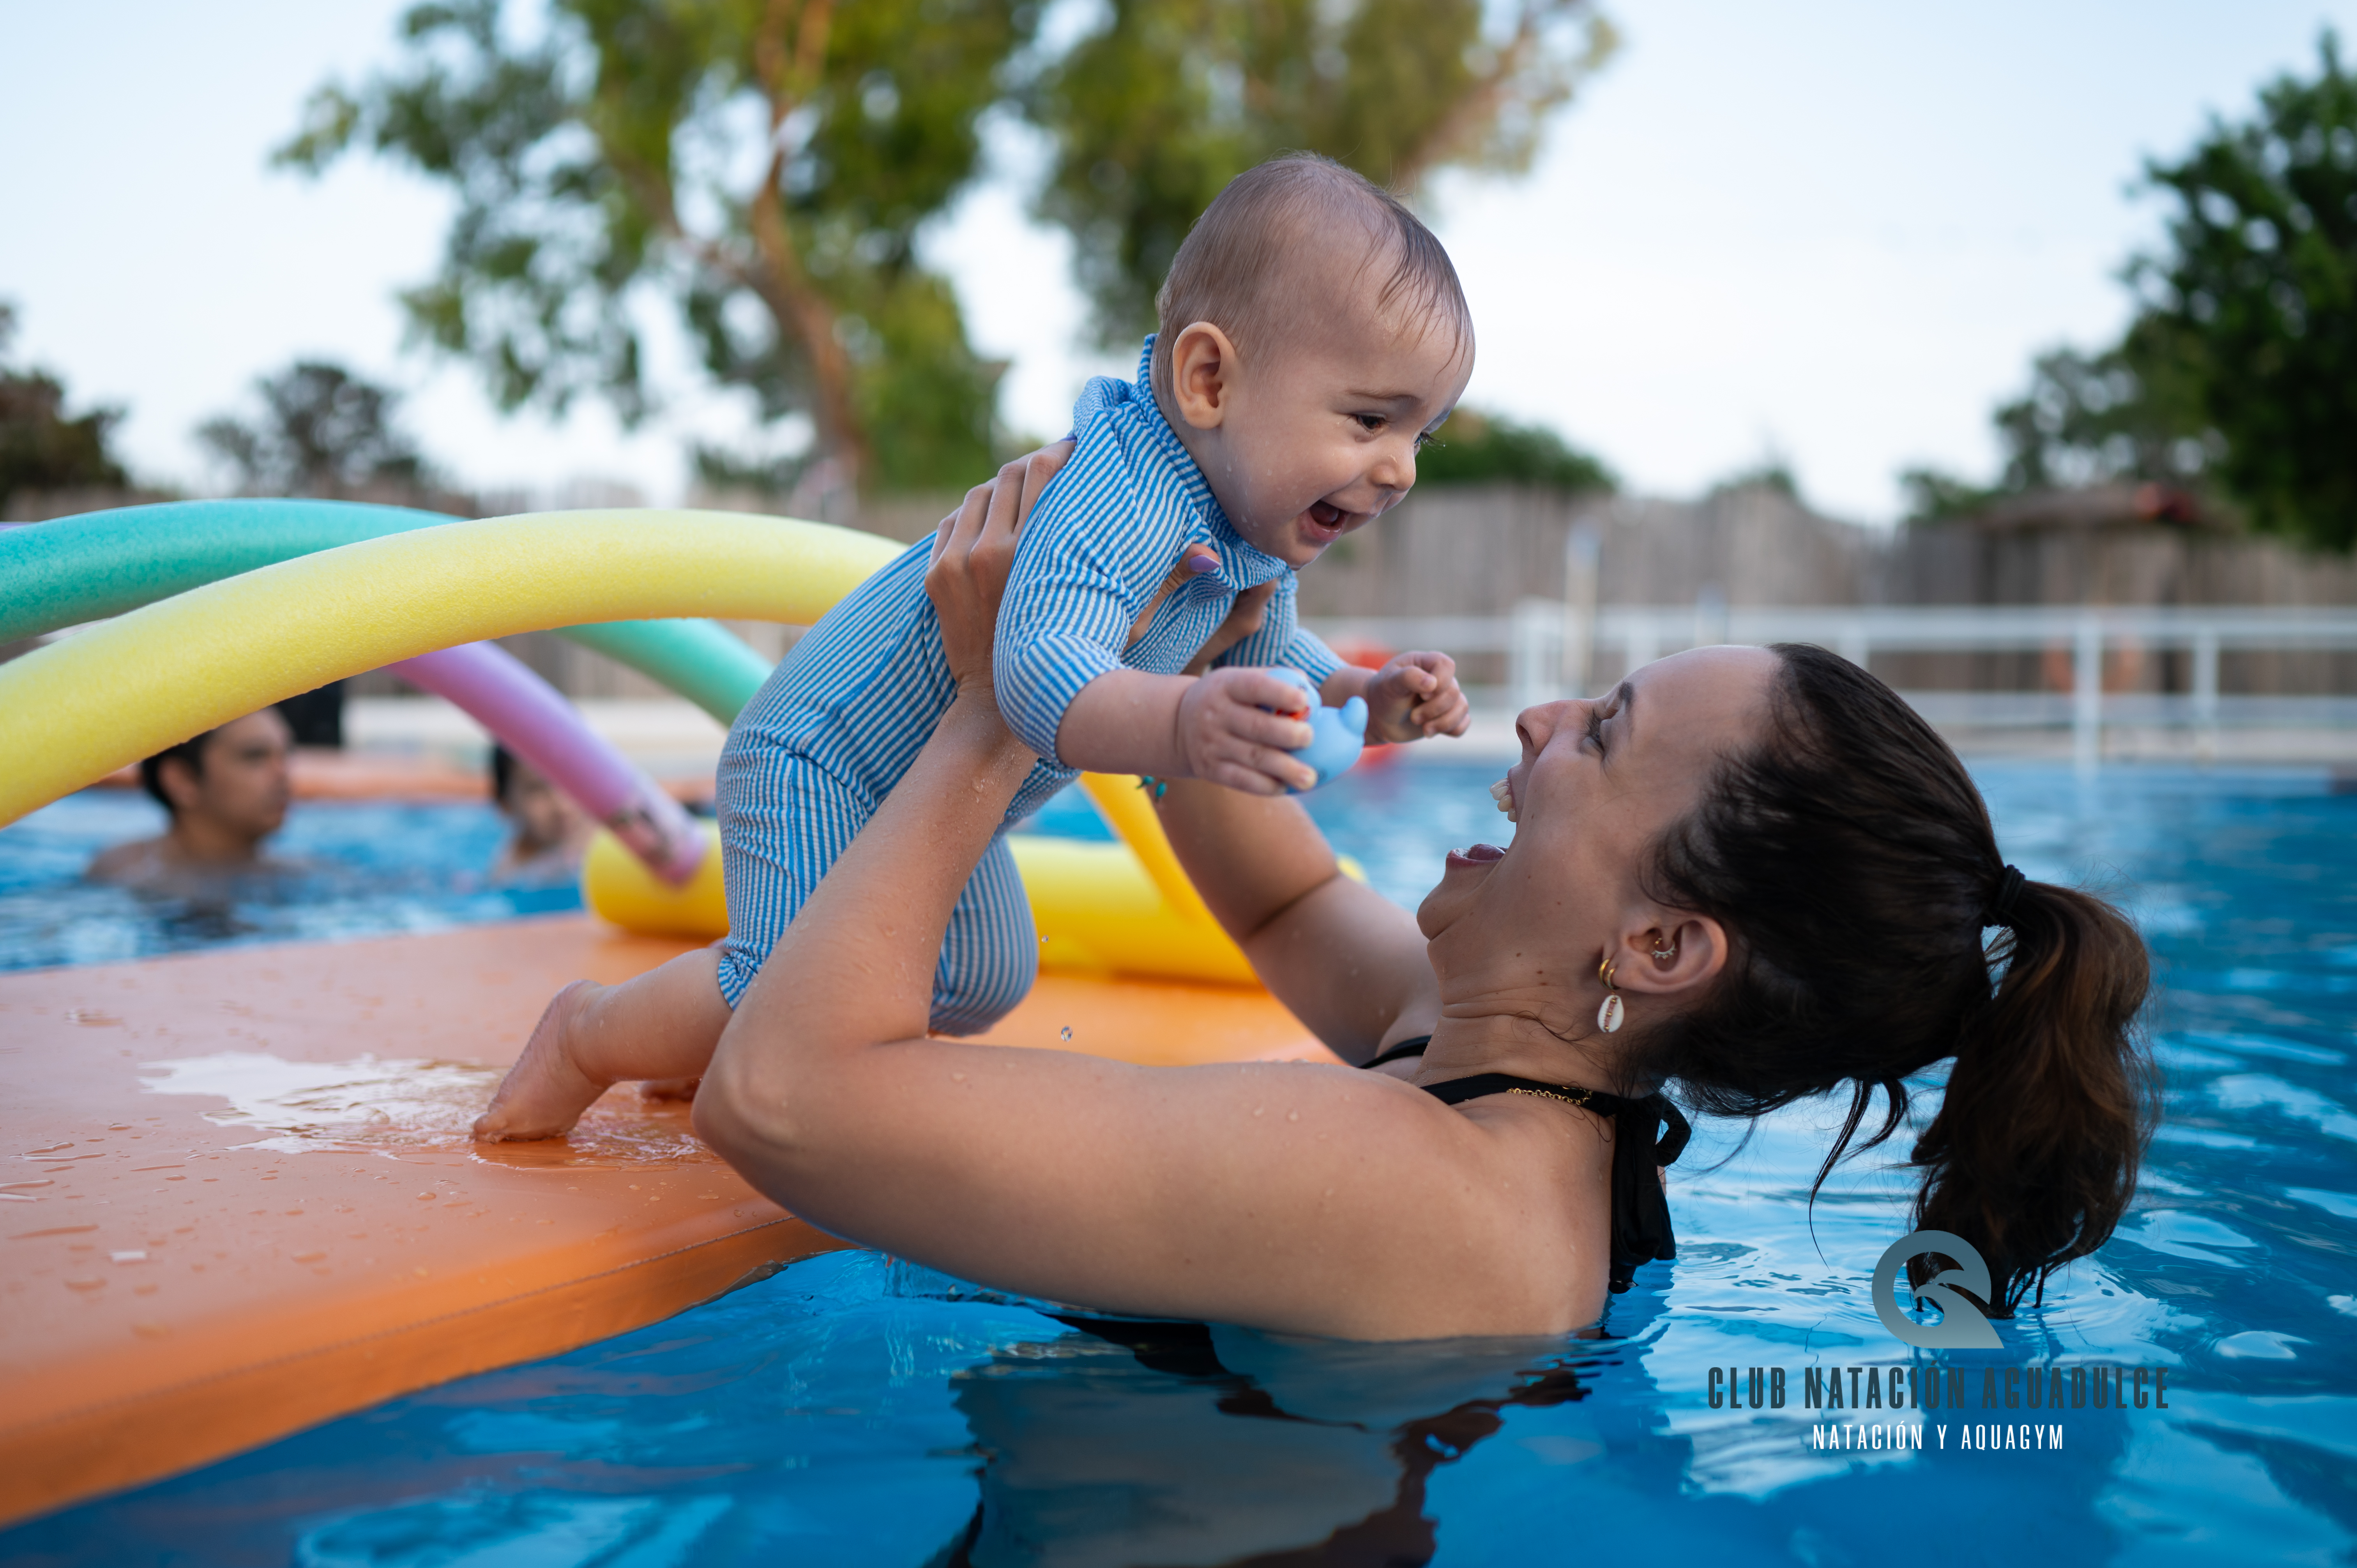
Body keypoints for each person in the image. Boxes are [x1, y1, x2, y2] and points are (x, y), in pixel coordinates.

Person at [679, 469, 2157, 1342]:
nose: (1534, 721)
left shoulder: (1407, 1187)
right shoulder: (1512, 1081)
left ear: (1655, 945)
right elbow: (1280, 898)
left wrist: (990, 712)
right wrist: (1212, 635)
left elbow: (781, 1096)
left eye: (1602, 733)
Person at [474, 153, 1477, 1139]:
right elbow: (1036, 674)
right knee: (785, 975)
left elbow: (1270, 658)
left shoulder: (1252, 532)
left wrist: (1364, 690)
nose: (1398, 471)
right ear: (1208, 377)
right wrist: (1182, 719)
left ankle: (694, 1048)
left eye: (1419, 437)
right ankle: (588, 1033)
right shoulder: (1120, 495)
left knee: (979, 973)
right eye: (1370, 419)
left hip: (933, 790)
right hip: (825, 753)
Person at [88, 708, 296, 889]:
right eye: (255, 756)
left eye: (286, 754)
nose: (283, 774)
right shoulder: (126, 874)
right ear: (182, 780)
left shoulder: (301, 876)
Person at [487, 745, 592, 885]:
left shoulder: (605, 828)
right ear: (505, 805)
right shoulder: (511, 877)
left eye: (570, 781)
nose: (563, 807)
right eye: (536, 789)